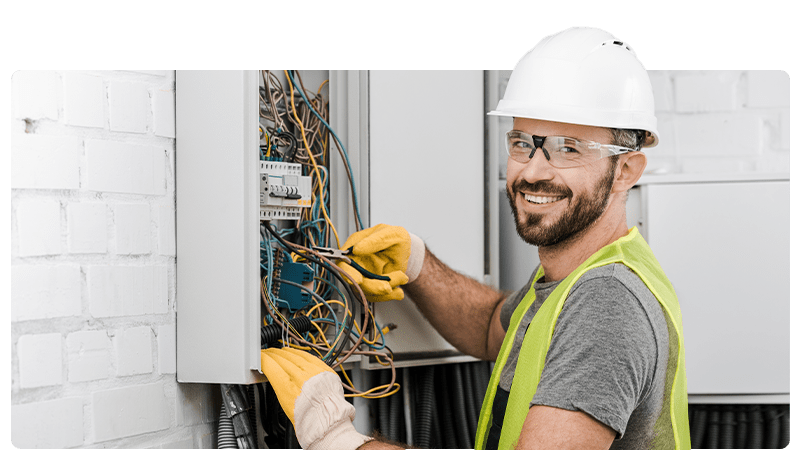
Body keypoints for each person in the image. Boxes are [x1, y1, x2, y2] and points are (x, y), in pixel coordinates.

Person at [261, 26, 690, 450]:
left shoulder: (606, 301)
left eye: (568, 148)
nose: (534, 171)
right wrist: (417, 265)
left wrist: (334, 438)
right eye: (523, 143)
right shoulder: (573, 279)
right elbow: (491, 329)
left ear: (627, 171)